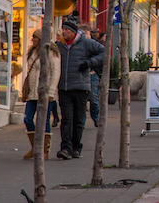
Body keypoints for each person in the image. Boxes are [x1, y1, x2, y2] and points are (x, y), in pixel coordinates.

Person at [56, 14, 105, 160]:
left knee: (78, 119)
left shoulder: (86, 43)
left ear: (73, 31)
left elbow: (103, 52)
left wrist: (89, 63)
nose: (63, 32)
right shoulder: (60, 46)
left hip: (80, 87)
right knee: (66, 119)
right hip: (64, 87)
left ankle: (76, 147)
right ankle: (66, 148)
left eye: (66, 30)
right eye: (62, 29)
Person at [22, 28, 60, 160]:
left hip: (44, 92)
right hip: (33, 92)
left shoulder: (51, 52)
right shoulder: (33, 51)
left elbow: (55, 73)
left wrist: (51, 92)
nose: (32, 39)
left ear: (41, 39)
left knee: (44, 121)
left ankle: (44, 150)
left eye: (35, 37)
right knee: (27, 119)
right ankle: (35, 147)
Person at [79, 23, 99, 128]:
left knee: (93, 99)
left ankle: (96, 118)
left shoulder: (93, 44)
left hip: (91, 74)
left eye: (88, 34)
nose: (88, 36)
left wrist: (93, 68)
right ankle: (82, 122)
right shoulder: (77, 45)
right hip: (81, 74)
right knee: (81, 100)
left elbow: (100, 57)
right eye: (86, 34)